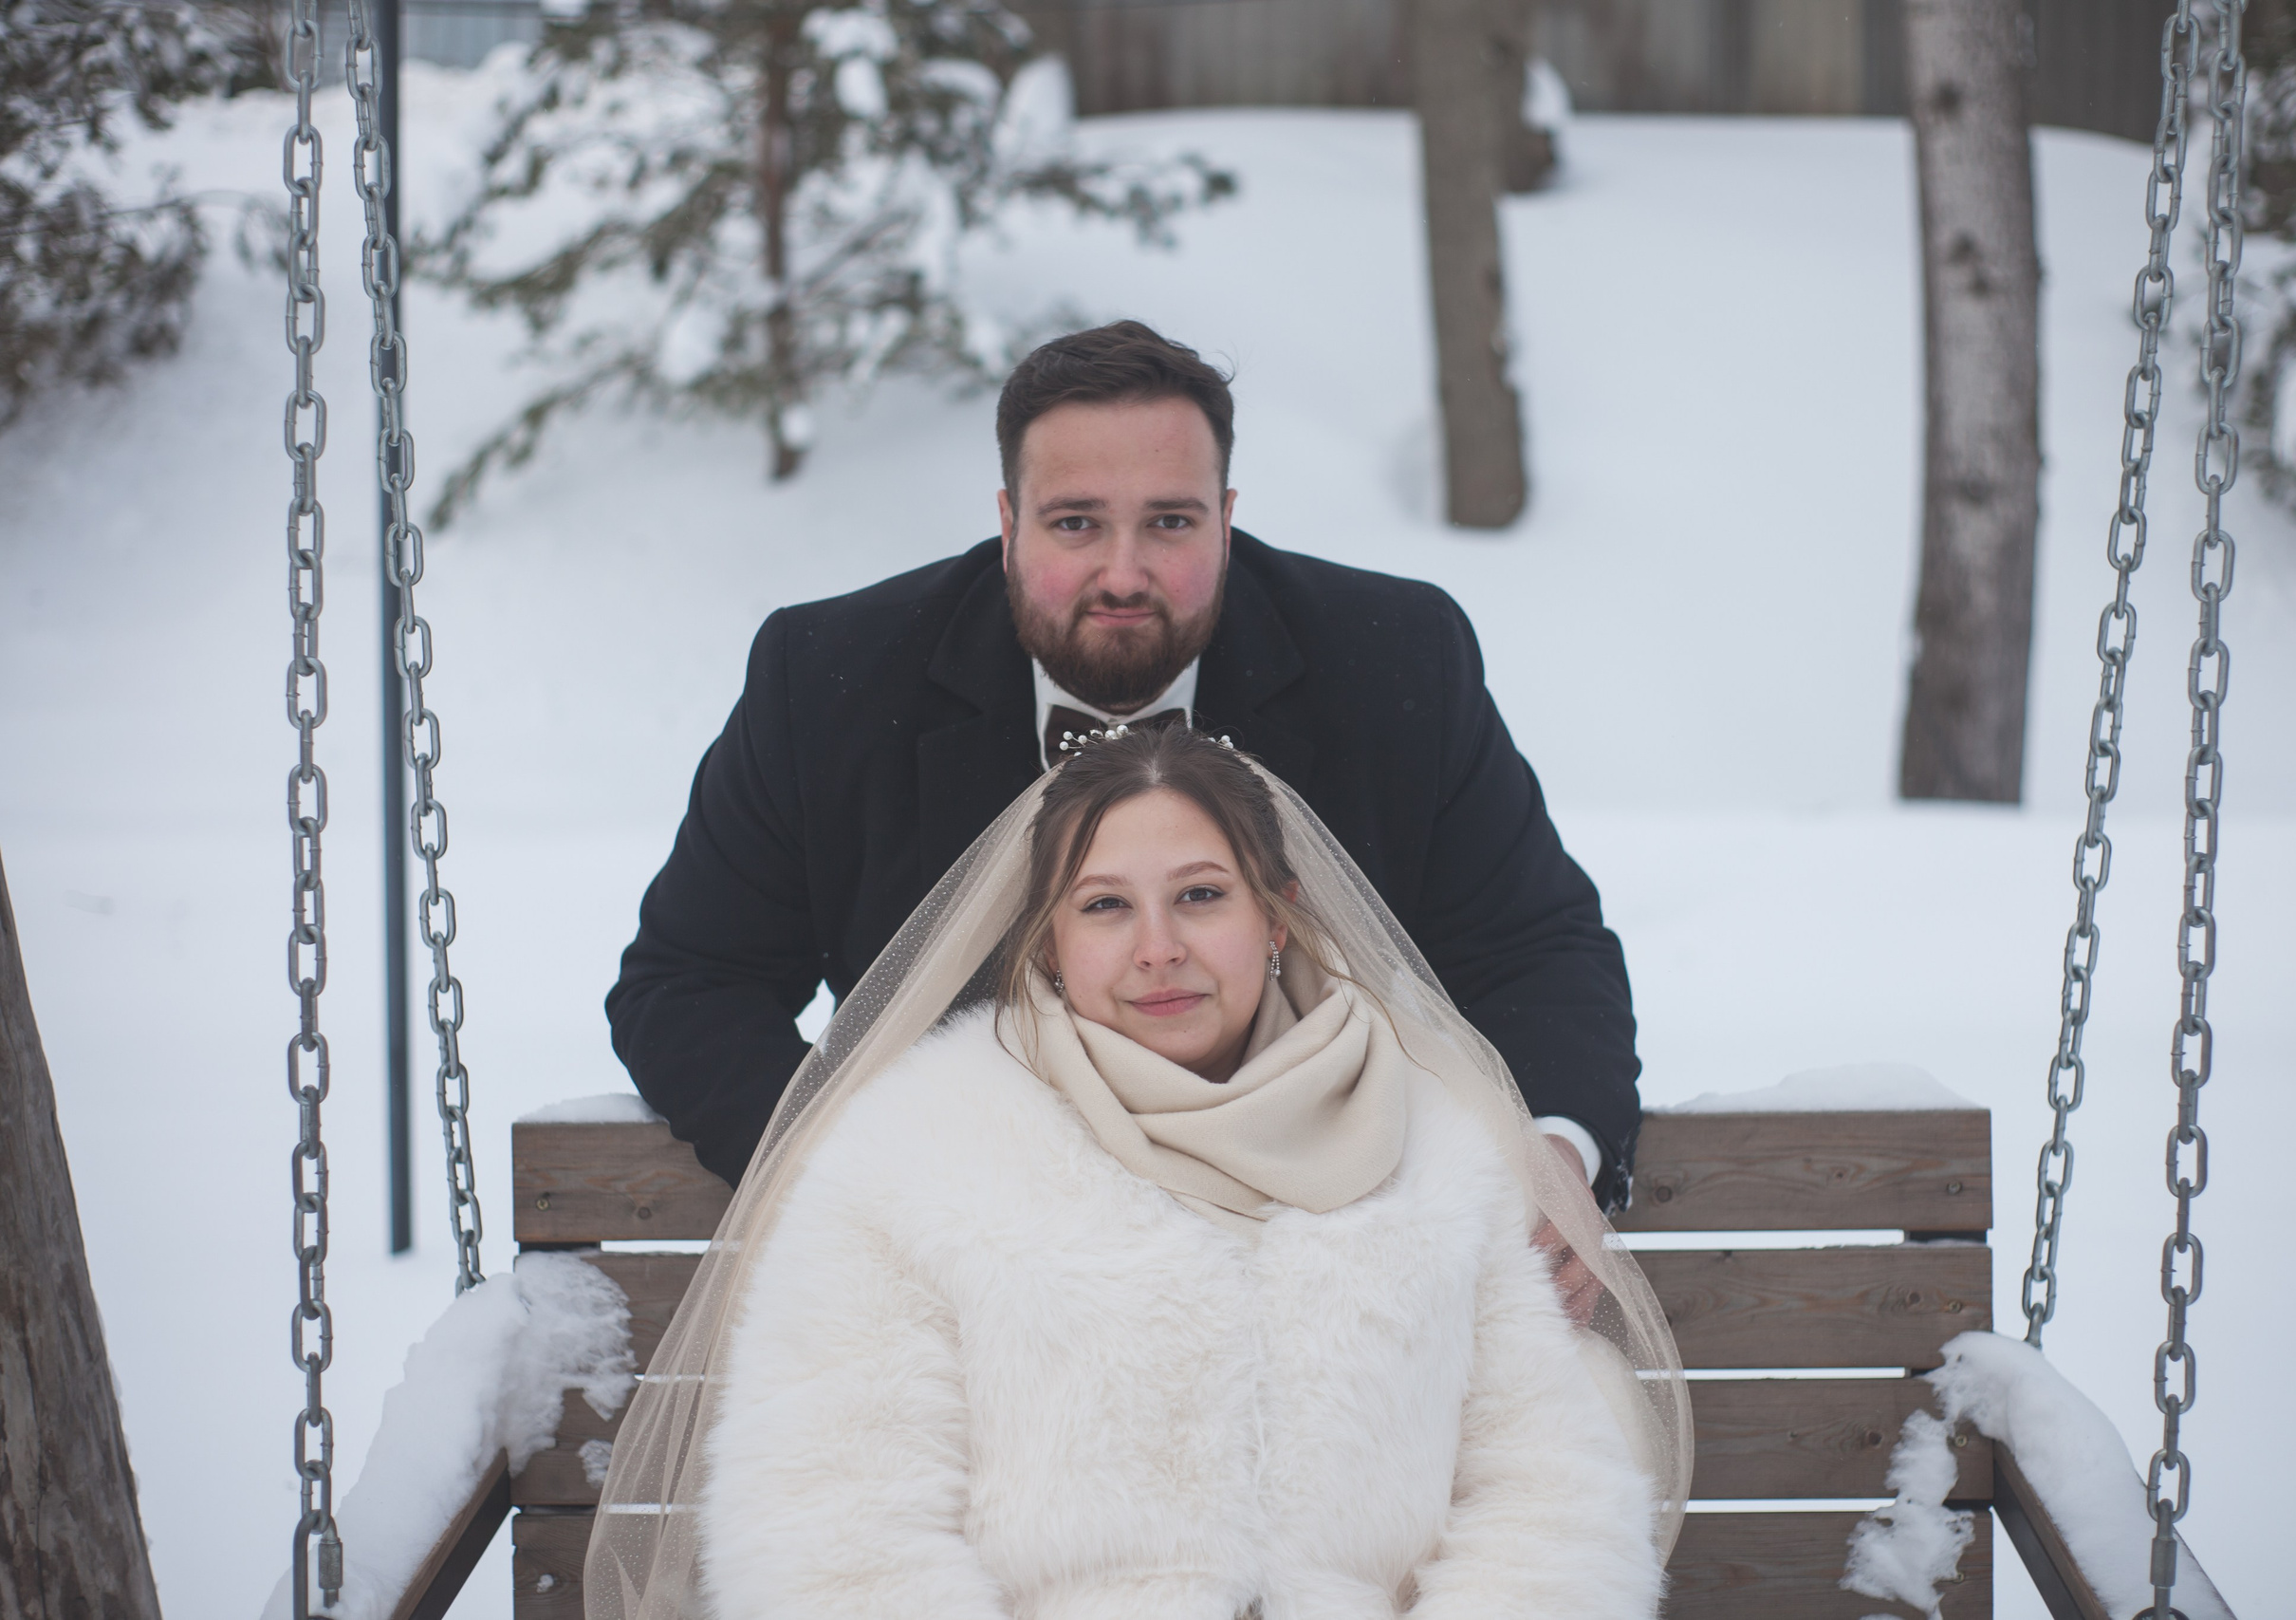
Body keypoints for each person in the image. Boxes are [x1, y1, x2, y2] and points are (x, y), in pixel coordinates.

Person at [583, 726, 1690, 1618]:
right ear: (1048, 942)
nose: (1157, 946)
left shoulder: (1445, 1150)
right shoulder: (915, 1156)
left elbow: (1550, 1496)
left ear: (1276, 918)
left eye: (1201, 896)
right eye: (1105, 906)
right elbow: (828, 1530)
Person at [606, 320, 1646, 1218]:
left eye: (1169, 522)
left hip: (1312, 1243)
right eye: (1075, 524)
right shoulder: (830, 679)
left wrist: (1554, 1150)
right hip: (970, 1261)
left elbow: (1530, 949)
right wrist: (872, 1175)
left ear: (1226, 519)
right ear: (1007, 523)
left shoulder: (1391, 657)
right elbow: (690, 987)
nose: (1123, 572)